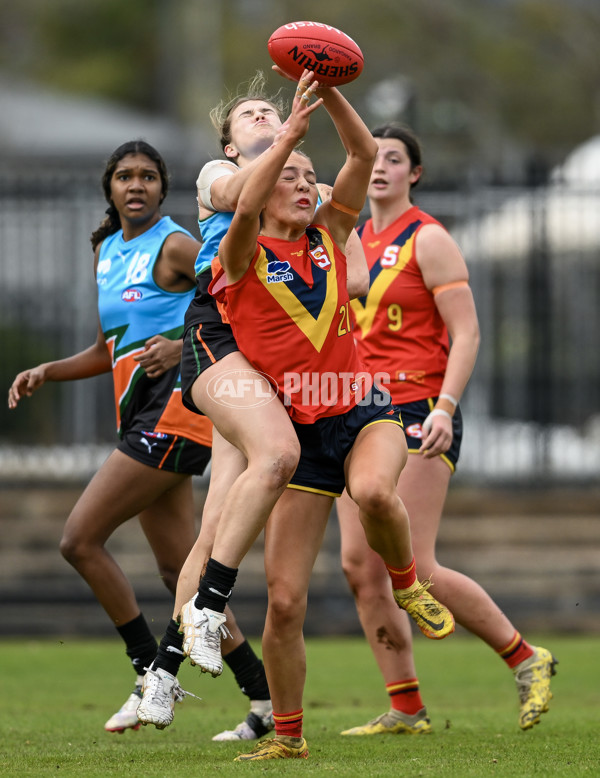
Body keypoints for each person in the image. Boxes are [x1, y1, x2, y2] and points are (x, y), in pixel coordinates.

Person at [203, 70, 454, 762]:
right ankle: (288, 738)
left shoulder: (330, 232)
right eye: (292, 174)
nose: (306, 182)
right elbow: (248, 208)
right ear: (266, 178)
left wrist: (326, 89)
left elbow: (364, 156)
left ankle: (409, 583)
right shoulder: (242, 249)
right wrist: (283, 139)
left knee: (374, 490)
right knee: (284, 602)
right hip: (300, 432)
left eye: (313, 173)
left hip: (362, 406)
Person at [7, 140, 271, 739]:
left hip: (177, 415)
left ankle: (148, 671)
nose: (136, 185)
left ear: (163, 187)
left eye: (148, 177)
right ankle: (263, 701)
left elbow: (234, 302)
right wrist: (51, 370)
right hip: (139, 418)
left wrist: (185, 346)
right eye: (125, 176)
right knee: (182, 570)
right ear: (110, 188)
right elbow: (111, 348)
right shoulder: (106, 250)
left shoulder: (177, 244)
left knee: (79, 539)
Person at [136, 72, 367, 738]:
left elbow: (345, 225)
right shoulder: (222, 174)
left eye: (273, 107)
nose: (265, 114)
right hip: (227, 335)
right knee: (235, 502)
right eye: (250, 115)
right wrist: (288, 140)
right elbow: (244, 199)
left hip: (279, 354)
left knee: (225, 519)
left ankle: (170, 669)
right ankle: (174, 656)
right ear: (231, 143)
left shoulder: (301, 183)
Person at [336, 123, 558, 736]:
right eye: (371, 157)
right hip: (357, 414)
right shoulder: (348, 238)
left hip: (418, 412)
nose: (379, 167)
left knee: (418, 566)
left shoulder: (428, 238)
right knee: (360, 566)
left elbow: (468, 333)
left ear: (416, 173)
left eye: (394, 159)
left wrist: (446, 406)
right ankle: (406, 707)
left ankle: (525, 656)